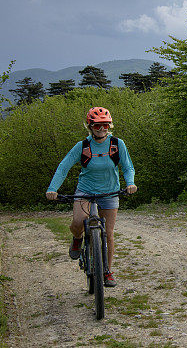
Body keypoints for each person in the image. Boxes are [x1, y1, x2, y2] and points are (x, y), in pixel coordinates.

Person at [45, 106, 137, 287]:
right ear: (90, 126)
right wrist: (52, 188)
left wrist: (130, 183)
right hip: (85, 191)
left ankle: (107, 272)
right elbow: (64, 167)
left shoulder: (118, 144)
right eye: (97, 126)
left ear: (110, 126)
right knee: (78, 222)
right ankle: (78, 239)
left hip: (110, 192)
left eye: (105, 125)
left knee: (108, 234)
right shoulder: (83, 146)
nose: (101, 129)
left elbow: (127, 167)